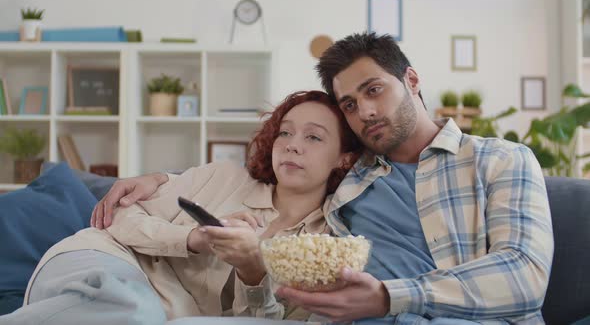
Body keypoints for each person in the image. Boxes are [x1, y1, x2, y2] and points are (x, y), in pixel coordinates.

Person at [95, 32, 554, 325]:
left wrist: (387, 297)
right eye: (350, 105)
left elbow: (525, 275)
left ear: (411, 80)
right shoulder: (351, 177)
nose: (365, 112)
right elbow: (278, 169)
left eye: (374, 90)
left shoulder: (501, 160)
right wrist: (162, 177)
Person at [0, 90, 362, 325]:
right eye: (285, 132)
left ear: (345, 159)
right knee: (132, 308)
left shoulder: (323, 245)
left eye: (313, 137)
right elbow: (122, 216)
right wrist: (193, 238)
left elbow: (263, 319)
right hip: (104, 259)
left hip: (160, 311)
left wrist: (253, 270)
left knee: (141, 314)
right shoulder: (223, 176)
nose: (292, 145)